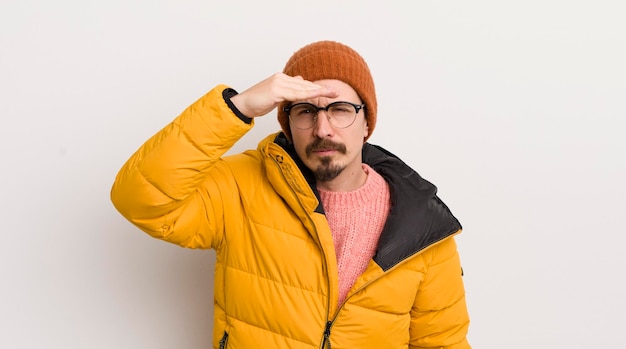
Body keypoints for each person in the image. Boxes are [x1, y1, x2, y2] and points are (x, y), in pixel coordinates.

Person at [111, 40, 471, 349]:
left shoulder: (423, 227)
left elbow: (442, 342)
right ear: (287, 123)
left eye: (341, 110)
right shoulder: (242, 185)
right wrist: (239, 107)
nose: (322, 128)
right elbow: (140, 199)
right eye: (305, 111)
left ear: (366, 124)